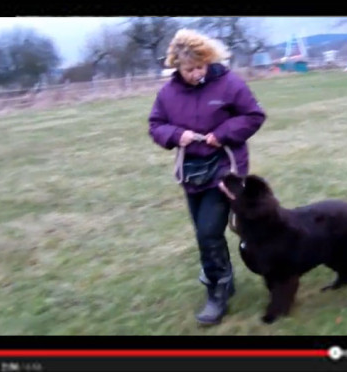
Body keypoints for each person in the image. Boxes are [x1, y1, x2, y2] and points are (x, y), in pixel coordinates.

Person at [147, 29, 266, 325]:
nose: (195, 73)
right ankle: (224, 278)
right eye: (188, 69)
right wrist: (177, 135)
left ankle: (217, 292)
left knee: (208, 232)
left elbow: (254, 116)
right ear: (176, 65)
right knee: (205, 233)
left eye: (200, 66)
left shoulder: (229, 83)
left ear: (208, 60)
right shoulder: (168, 94)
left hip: (224, 169)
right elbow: (156, 124)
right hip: (191, 173)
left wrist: (222, 134)